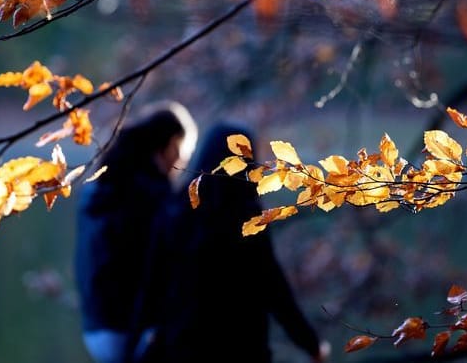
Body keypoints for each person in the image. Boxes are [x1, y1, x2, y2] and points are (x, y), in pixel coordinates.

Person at [148, 123, 329, 363]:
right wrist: (311, 345)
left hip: (184, 345)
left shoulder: (177, 211)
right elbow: (275, 289)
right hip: (243, 347)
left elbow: (152, 282)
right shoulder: (248, 221)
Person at [74, 101, 196, 363]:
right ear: (172, 144)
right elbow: (156, 268)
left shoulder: (98, 188)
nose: (182, 161)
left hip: (95, 329)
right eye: (183, 151)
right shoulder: (153, 195)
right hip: (132, 331)